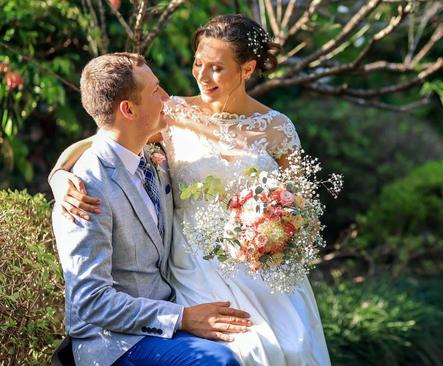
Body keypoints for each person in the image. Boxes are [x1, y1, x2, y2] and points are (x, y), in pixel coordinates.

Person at [50, 15, 331, 365]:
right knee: (246, 351)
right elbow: (102, 141)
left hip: (261, 266)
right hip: (193, 266)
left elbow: (304, 208)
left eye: (216, 68)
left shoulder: (277, 128)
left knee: (292, 346)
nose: (201, 75)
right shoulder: (171, 113)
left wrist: (277, 230)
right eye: (199, 63)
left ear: (247, 68)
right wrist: (59, 178)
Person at [52, 52, 253, 366]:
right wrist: (182, 318)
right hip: (115, 342)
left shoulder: (152, 155)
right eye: (156, 91)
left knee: (256, 344)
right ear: (128, 109)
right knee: (219, 361)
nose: (167, 98)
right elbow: (90, 301)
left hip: (176, 306)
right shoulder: (84, 188)